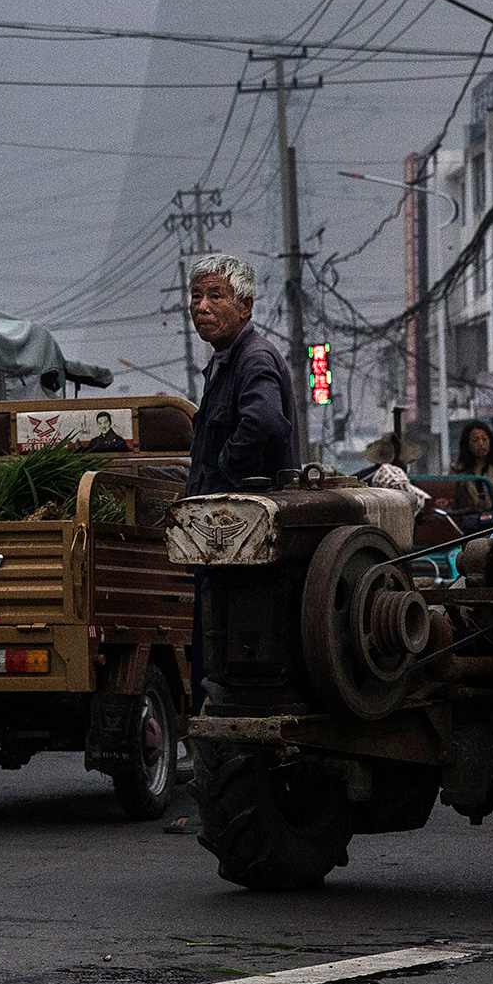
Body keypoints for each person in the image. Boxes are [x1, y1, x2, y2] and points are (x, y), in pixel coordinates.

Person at [181, 254, 296, 719]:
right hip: (223, 536)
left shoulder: (254, 358)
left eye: (215, 296)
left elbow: (264, 418)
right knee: (211, 637)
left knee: (229, 642)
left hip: (245, 534)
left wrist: (227, 472)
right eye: (195, 296)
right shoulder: (226, 362)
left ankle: (220, 726)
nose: (201, 307)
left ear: (244, 306)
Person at [451, 420, 493, 521]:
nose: (481, 444)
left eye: (484, 439)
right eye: (475, 440)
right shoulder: (458, 470)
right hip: (470, 524)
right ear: (467, 444)